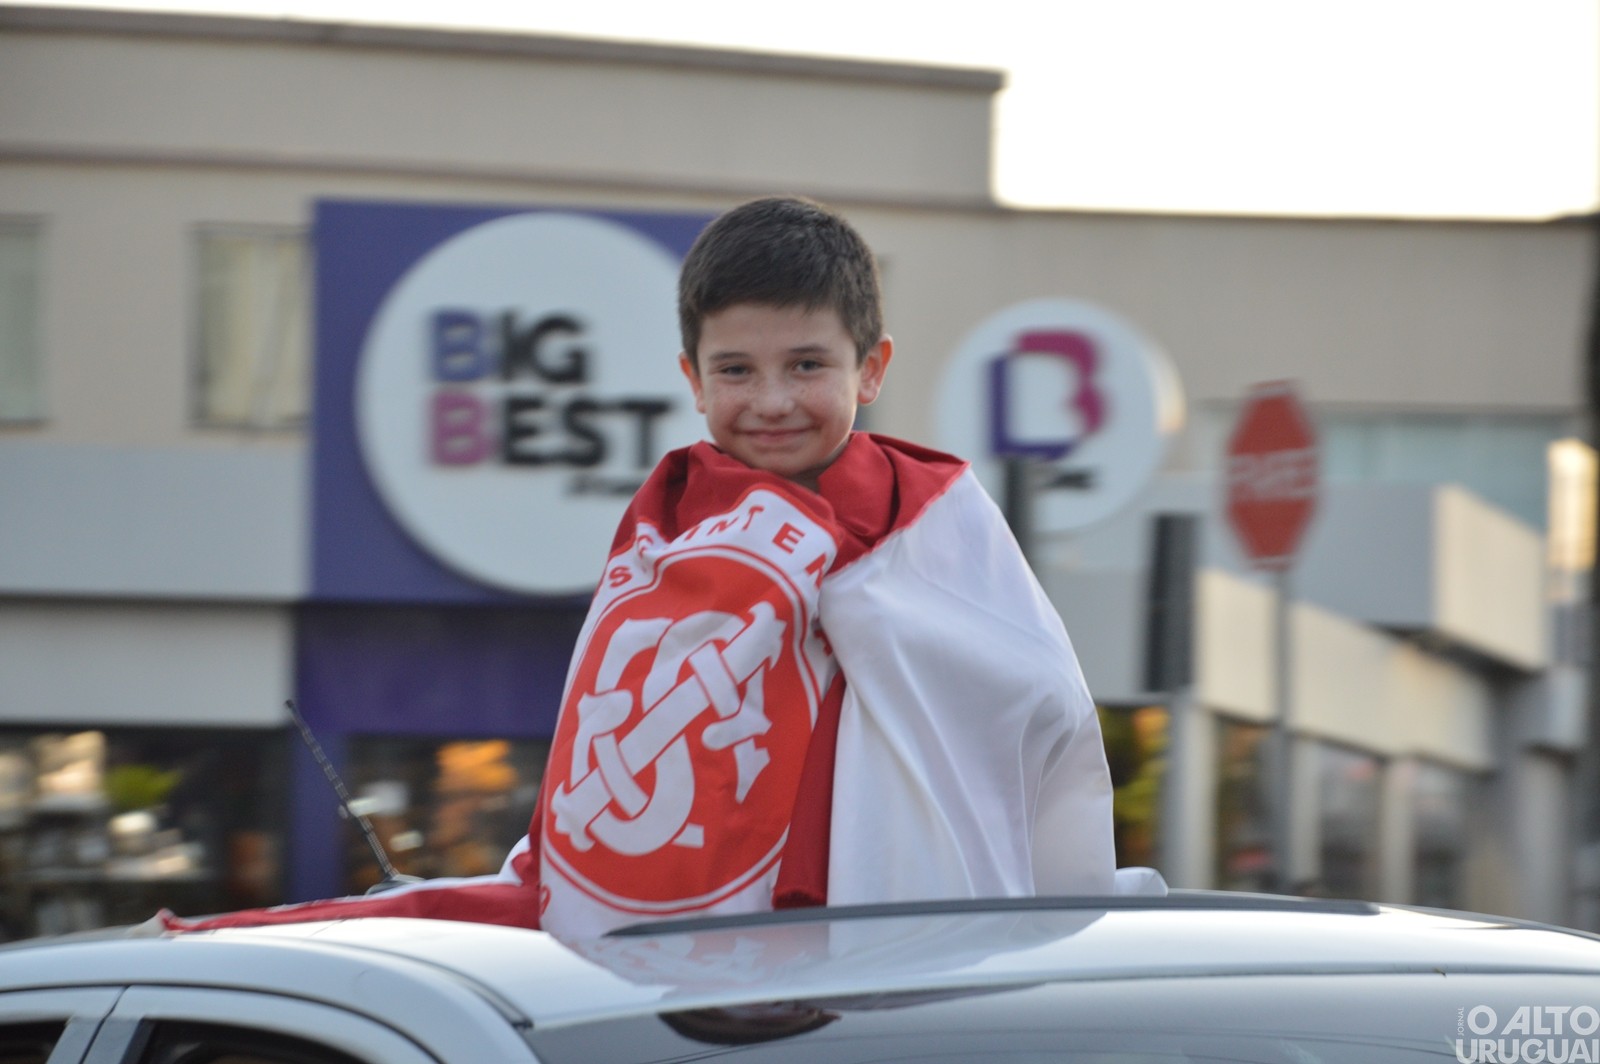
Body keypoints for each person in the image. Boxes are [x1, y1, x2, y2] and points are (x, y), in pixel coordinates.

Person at [163, 196, 1116, 938]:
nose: (772, 400)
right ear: (692, 379)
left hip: (916, 977)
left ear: (872, 369)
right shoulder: (661, 544)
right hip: (696, 1006)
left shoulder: (943, 532)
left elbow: (1043, 741)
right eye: (736, 370)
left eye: (808, 365)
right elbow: (606, 788)